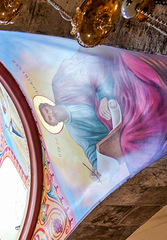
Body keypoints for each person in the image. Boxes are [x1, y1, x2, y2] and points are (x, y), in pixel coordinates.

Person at [36, 49, 167, 179]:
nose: (51, 114)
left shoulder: (61, 87)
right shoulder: (75, 131)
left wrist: (103, 96)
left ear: (48, 105)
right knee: (130, 147)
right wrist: (97, 167)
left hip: (114, 85)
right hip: (118, 123)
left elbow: (92, 67)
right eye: (50, 119)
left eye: (47, 111)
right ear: (54, 123)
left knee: (144, 97)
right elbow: (90, 147)